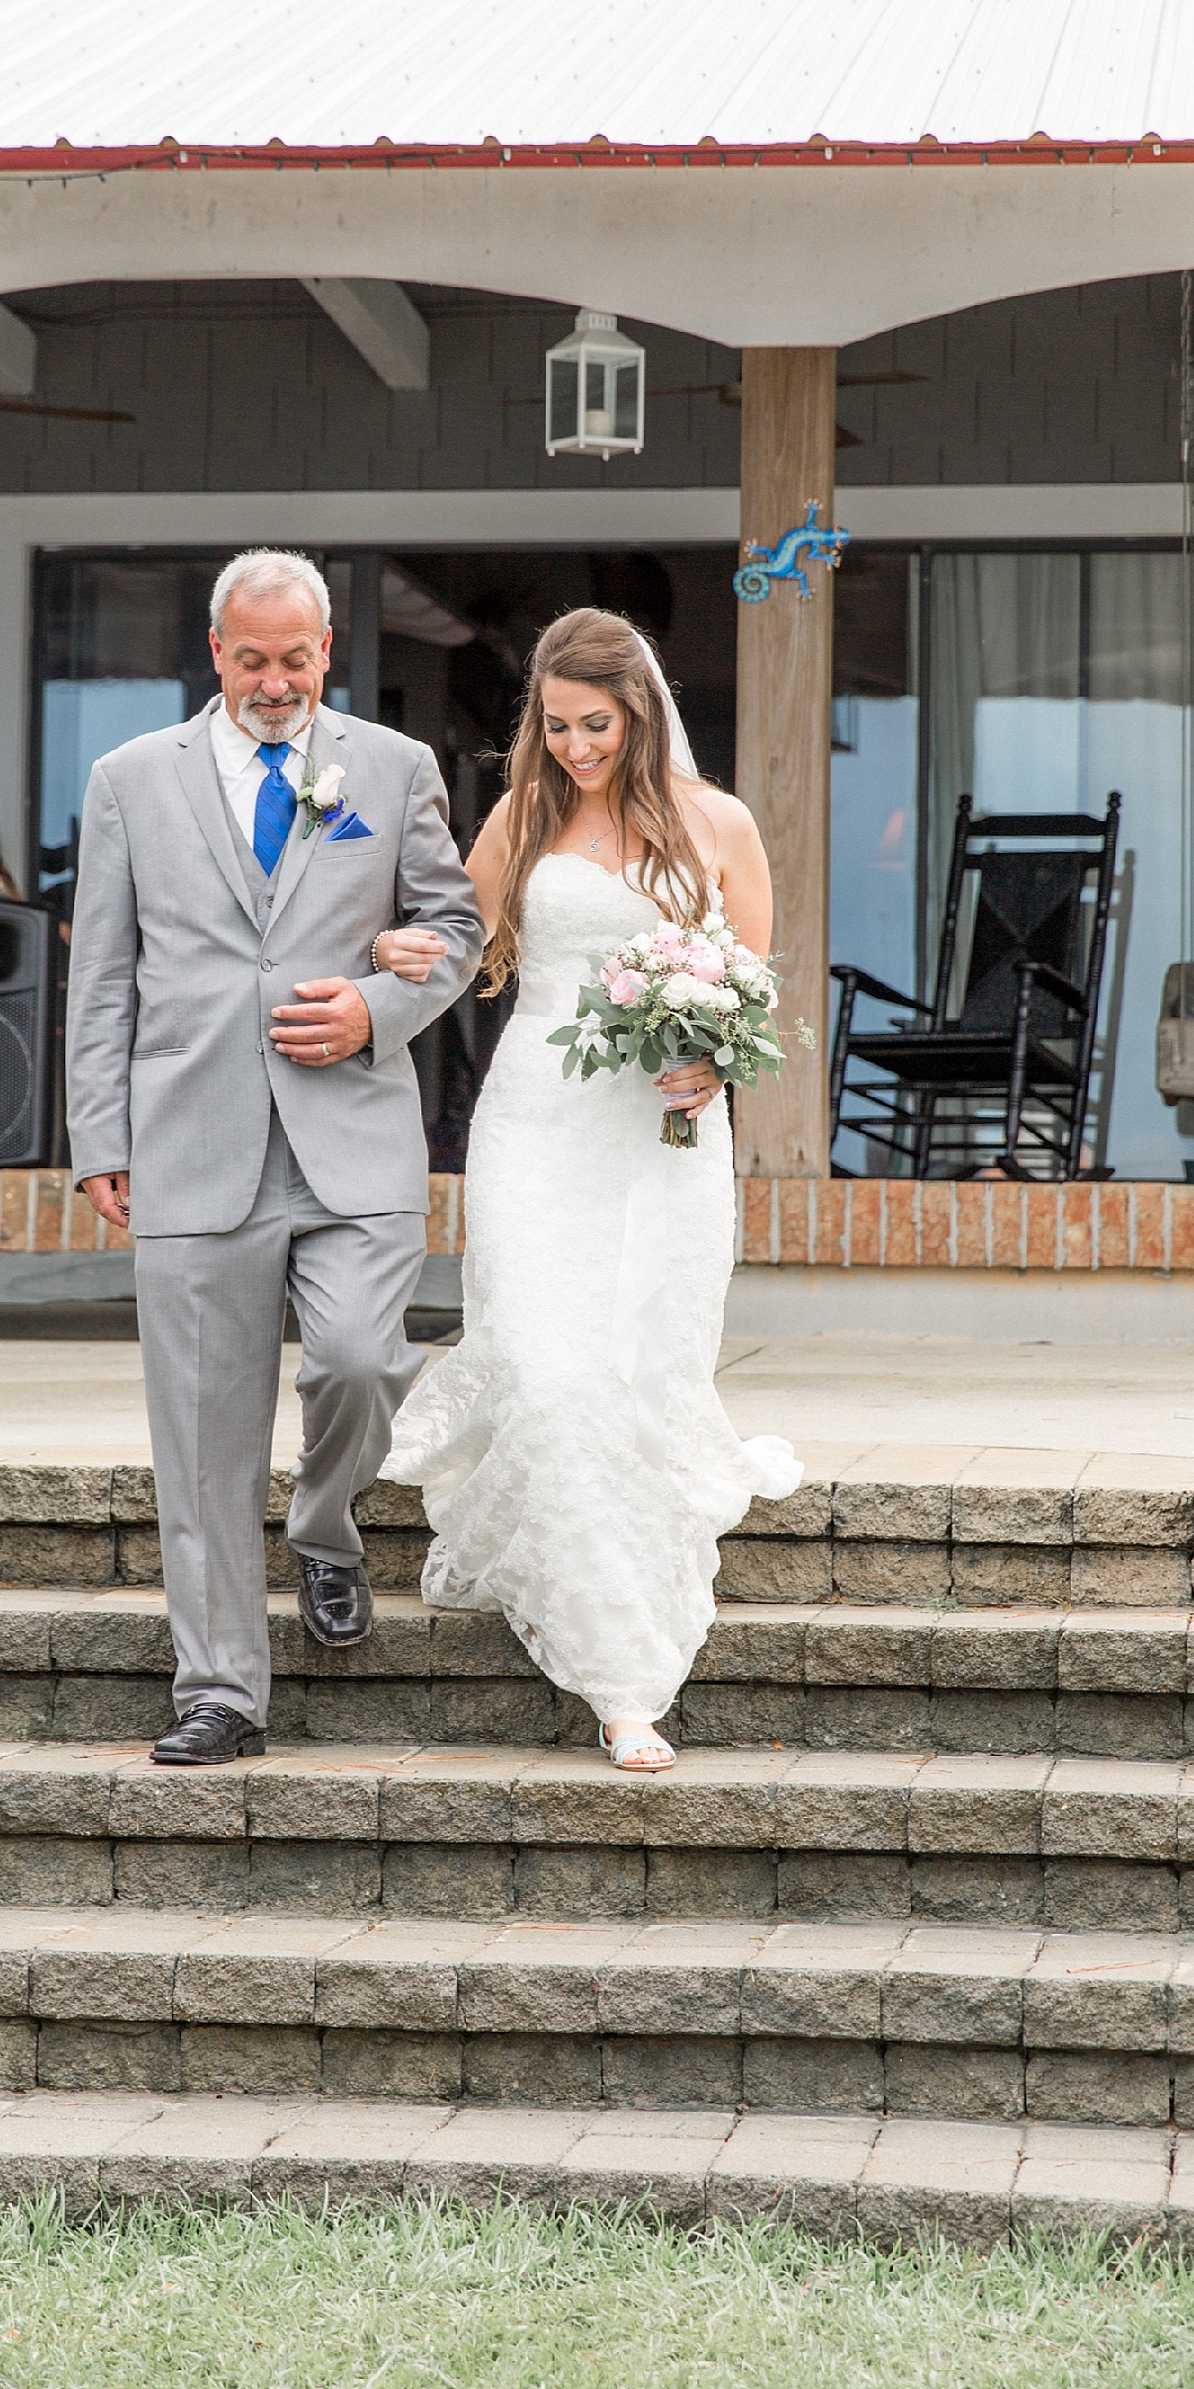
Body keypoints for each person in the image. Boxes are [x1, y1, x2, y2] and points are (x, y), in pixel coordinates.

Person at [66, 548, 484, 1766]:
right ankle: (220, 1692)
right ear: (215, 654)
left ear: (325, 650)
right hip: (190, 1141)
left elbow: (453, 931)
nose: (274, 681)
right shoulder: (129, 779)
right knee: (200, 1434)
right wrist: (101, 1132)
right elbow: (101, 975)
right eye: (251, 658)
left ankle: (327, 1521)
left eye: (295, 658)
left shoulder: (393, 768)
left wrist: (375, 1009)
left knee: (359, 1359)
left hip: (350, 1131)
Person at [377, 609, 802, 1772]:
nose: (573, 745)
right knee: (555, 1376)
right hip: (534, 1124)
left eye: (595, 724)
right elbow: (458, 943)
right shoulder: (527, 814)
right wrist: (402, 953)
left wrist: (715, 1058)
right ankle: (622, 1684)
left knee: (628, 1372)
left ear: (642, 709)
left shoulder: (720, 823)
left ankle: (619, 1633)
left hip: (659, 1140)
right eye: (555, 724)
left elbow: (752, 987)